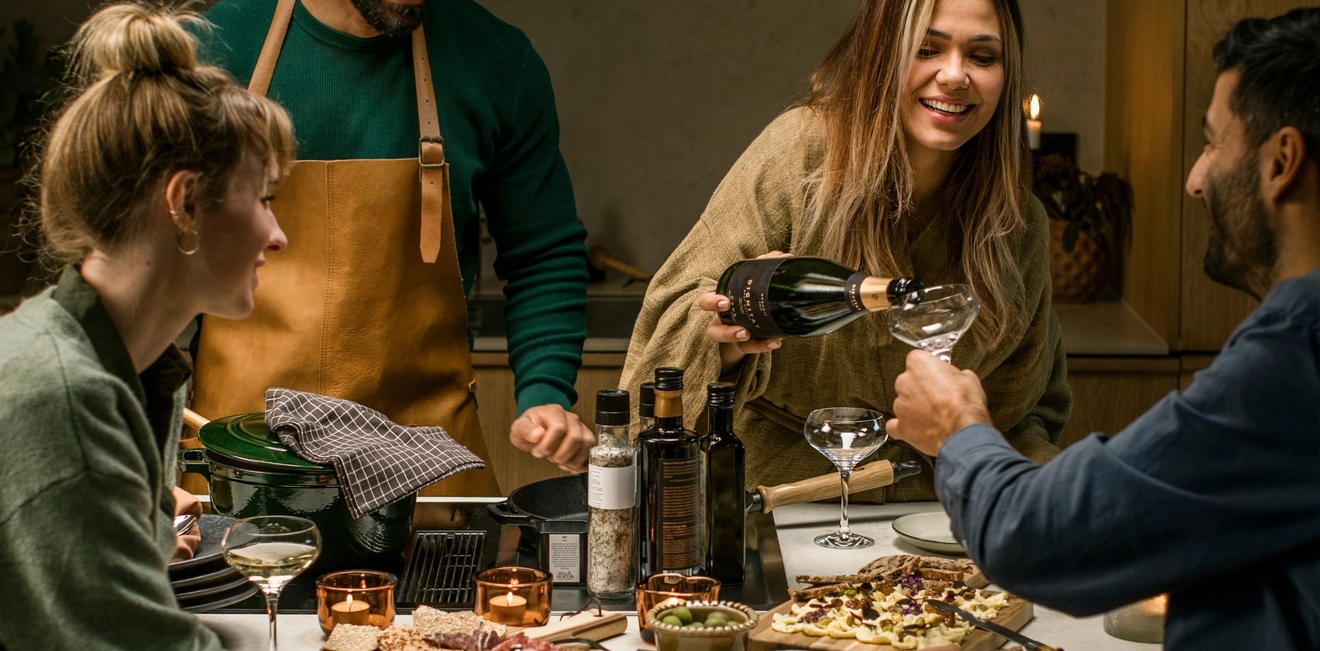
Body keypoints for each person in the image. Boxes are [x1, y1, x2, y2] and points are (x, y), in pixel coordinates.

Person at [887, 8, 1320, 649]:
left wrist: (958, 427)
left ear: (1282, 161)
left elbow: (1040, 538)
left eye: (1211, 143)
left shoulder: (1296, 357)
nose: (1195, 180)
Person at [620, 0, 1070, 500]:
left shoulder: (1017, 223)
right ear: (882, 53)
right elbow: (672, 330)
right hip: (772, 500)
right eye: (926, 49)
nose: (954, 75)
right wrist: (731, 343)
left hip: (933, 513)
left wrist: (1040, 506)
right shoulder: (801, 154)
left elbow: (1023, 412)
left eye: (983, 57)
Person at [189, 0, 594, 490]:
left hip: (425, 467)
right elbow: (144, 252)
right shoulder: (209, 48)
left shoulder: (499, 60)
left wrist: (545, 392)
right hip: (240, 463)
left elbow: (544, 253)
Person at [0, 4, 294, 648]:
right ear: (184, 202)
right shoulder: (63, 396)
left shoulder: (135, 367)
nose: (277, 235)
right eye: (264, 197)